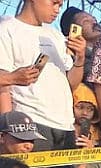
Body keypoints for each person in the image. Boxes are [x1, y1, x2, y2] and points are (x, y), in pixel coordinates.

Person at [0, 0, 89, 151]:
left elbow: (70, 85)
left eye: (60, 5)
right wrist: (9, 130)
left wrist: (80, 58)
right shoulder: (7, 29)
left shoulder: (56, 36)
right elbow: (4, 88)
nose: (57, 10)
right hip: (31, 122)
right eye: (54, 3)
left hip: (65, 124)